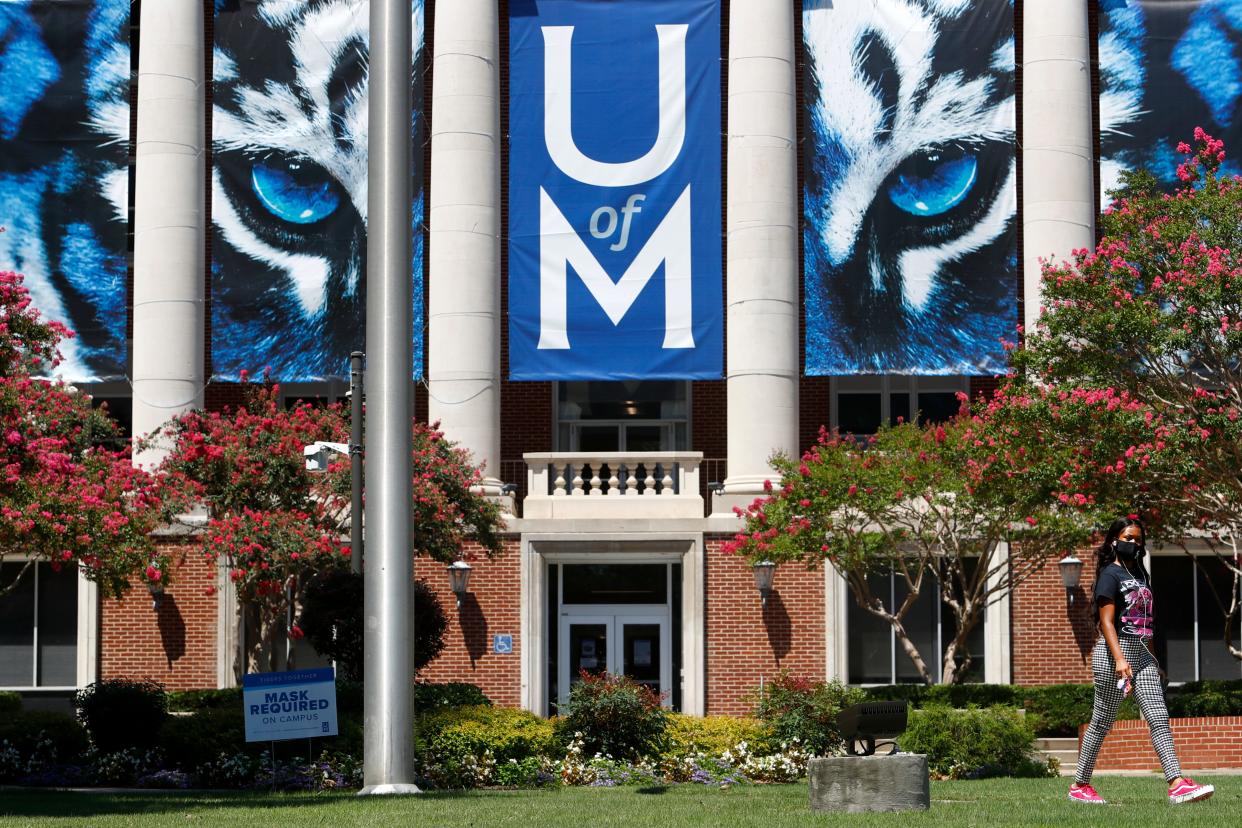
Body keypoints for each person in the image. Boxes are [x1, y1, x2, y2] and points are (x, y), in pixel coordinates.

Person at [1068, 517, 1214, 805]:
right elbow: (1107, 623)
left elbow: (1145, 623)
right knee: (1102, 721)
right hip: (1114, 654)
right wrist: (1120, 660)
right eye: (1128, 537)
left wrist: (1153, 659)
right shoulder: (1110, 574)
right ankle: (1080, 785)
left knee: (1158, 716)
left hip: (1142, 655)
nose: (1134, 543)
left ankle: (1176, 783)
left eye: (1138, 538)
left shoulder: (1141, 575)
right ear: (1114, 540)